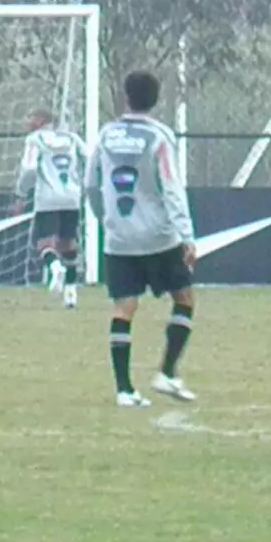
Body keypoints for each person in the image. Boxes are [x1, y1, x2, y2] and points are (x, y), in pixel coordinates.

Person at [96, 71, 198, 408]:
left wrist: (105, 219)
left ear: (126, 97)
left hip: (118, 238)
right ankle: (167, 372)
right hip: (158, 237)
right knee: (183, 298)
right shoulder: (159, 136)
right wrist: (187, 235)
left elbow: (89, 183)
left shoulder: (106, 135)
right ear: (155, 100)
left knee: (124, 307)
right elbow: (171, 187)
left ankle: (125, 390)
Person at [14, 108, 90, 310]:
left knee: (44, 244)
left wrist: (21, 193)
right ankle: (71, 293)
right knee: (68, 244)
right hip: (72, 197)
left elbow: (29, 169)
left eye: (31, 117)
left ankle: (55, 268)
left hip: (47, 198)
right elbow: (90, 157)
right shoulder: (71, 138)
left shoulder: (34, 140)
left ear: (41, 120)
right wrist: (85, 184)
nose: (28, 121)